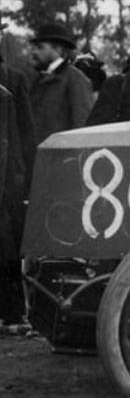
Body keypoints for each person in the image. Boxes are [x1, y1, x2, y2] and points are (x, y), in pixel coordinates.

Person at [0, 17, 36, 332]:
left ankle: (12, 315)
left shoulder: (14, 79)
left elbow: (26, 133)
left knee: (7, 245)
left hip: (6, 177)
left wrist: (24, 181)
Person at [28, 22, 93, 143]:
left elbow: (82, 125)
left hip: (61, 156)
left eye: (40, 47)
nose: (34, 52)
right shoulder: (36, 80)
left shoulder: (75, 79)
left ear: (57, 49)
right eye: (34, 47)